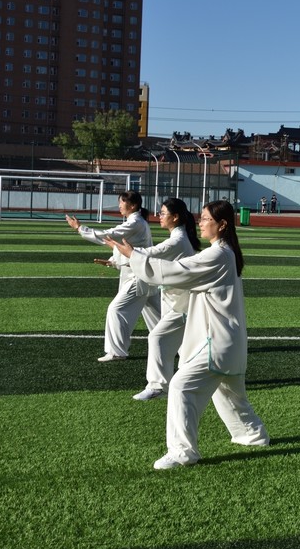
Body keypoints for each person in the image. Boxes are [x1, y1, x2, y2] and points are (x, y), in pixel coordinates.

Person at [108, 200, 270, 469]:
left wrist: (134, 256)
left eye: (206, 218)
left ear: (222, 224)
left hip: (216, 342)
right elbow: (183, 274)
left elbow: (177, 271)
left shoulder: (218, 255)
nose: (200, 222)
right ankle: (252, 435)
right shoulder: (222, 252)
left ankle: (183, 452)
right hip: (226, 342)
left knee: (181, 386)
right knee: (229, 393)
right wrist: (134, 258)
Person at [65, 190, 160, 362]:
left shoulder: (135, 222)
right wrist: (112, 261)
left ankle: (117, 352)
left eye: (121, 203)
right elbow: (123, 246)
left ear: (132, 205)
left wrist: (80, 228)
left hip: (138, 277)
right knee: (158, 314)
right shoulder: (136, 222)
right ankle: (176, 345)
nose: (119, 206)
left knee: (116, 309)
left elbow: (108, 236)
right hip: (137, 274)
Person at [130, 198, 201, 401]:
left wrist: (123, 251)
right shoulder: (178, 238)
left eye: (162, 213)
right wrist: (117, 260)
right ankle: (186, 381)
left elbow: (151, 254)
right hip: (174, 299)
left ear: (175, 217)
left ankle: (158, 386)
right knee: (183, 345)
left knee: (157, 337)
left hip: (182, 302)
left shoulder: (177, 240)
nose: (158, 216)